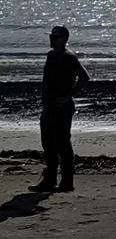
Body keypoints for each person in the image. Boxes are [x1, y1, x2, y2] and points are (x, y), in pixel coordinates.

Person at [30, 25, 90, 193]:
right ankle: (49, 180)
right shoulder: (51, 55)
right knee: (48, 144)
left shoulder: (69, 57)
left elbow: (84, 77)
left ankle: (67, 182)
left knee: (63, 144)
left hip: (62, 108)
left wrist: (67, 96)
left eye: (54, 37)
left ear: (62, 39)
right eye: (51, 36)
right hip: (48, 107)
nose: (51, 39)